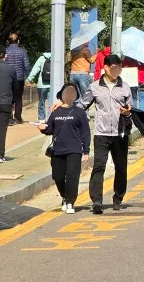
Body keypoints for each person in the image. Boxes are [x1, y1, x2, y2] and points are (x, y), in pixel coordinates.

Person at [71, 54, 133, 214]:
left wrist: (127, 112)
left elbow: (130, 109)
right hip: (101, 133)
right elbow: (82, 105)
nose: (117, 71)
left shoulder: (125, 87)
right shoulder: (94, 87)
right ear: (105, 68)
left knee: (121, 167)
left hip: (120, 133)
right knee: (99, 166)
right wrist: (65, 104)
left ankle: (118, 198)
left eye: (119, 68)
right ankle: (96, 200)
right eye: (114, 68)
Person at [39, 83, 90, 214]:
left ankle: (70, 202)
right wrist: (42, 129)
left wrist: (86, 151)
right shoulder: (56, 111)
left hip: (74, 150)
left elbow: (85, 132)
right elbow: (49, 129)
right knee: (58, 176)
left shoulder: (79, 112)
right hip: (58, 150)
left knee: (72, 177)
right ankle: (65, 196)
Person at [4, 33, 29, 124]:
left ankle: (9, 118)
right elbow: (26, 65)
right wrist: (28, 76)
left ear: (8, 41)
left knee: (8, 97)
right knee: (18, 98)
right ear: (18, 41)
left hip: (7, 77)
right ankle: (18, 117)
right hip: (19, 78)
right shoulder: (23, 51)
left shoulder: (5, 51)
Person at [25, 50, 53, 122]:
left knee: (41, 102)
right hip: (52, 84)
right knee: (51, 103)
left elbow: (35, 70)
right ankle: (50, 118)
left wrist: (28, 80)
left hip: (42, 84)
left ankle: (41, 118)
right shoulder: (55, 58)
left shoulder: (41, 58)